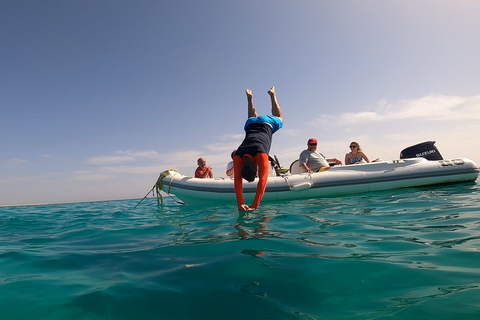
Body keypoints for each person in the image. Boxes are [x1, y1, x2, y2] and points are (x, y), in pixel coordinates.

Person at [233, 86, 284, 212]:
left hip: (267, 124)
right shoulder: (238, 156)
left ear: (255, 167)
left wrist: (254, 206)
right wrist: (241, 202)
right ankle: (250, 99)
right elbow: (237, 181)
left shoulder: (261, 155)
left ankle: (273, 95)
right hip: (250, 124)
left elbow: (262, 181)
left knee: (280, 117)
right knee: (252, 118)